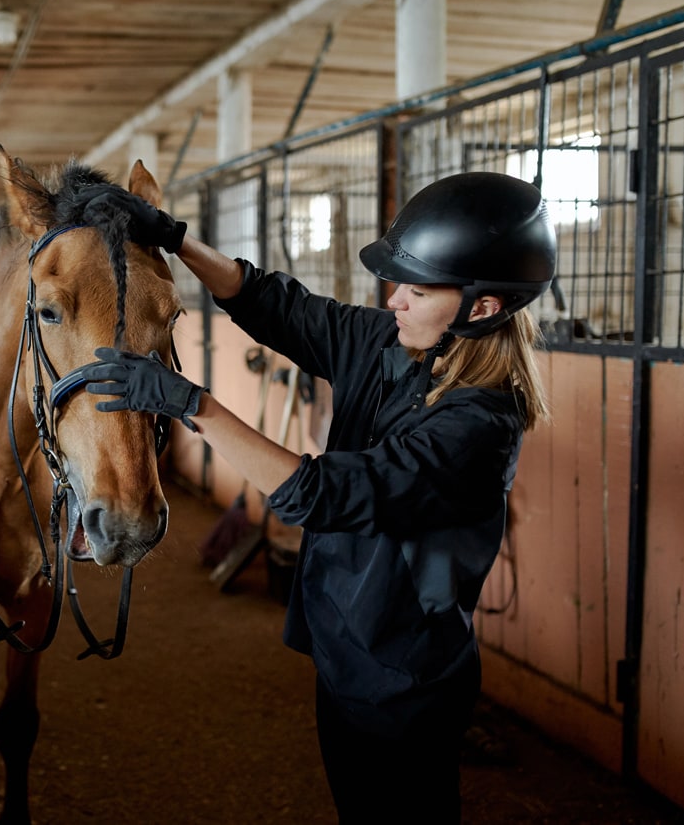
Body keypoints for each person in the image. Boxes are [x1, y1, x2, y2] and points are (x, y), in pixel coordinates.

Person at [80, 172, 556, 824]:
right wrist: (178, 240)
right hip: (344, 645)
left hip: (400, 677)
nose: (394, 300)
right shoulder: (391, 344)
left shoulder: (479, 426)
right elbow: (276, 303)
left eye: (416, 290)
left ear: (481, 308)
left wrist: (194, 405)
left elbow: (323, 493)